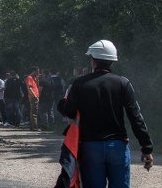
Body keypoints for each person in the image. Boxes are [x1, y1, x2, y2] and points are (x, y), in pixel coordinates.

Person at [58, 40, 154, 188]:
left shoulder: (80, 84)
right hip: (118, 146)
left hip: (90, 147)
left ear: (93, 61)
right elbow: (135, 117)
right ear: (112, 62)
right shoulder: (123, 83)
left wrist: (61, 104)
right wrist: (146, 147)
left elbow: (69, 112)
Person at [26, 66, 40, 131]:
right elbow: (29, 87)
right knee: (34, 112)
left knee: (34, 111)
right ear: (34, 71)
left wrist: (37, 79)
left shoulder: (34, 78)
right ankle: (34, 127)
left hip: (36, 96)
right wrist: (34, 95)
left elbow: (37, 86)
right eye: (37, 71)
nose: (38, 73)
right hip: (33, 97)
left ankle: (33, 127)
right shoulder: (29, 77)